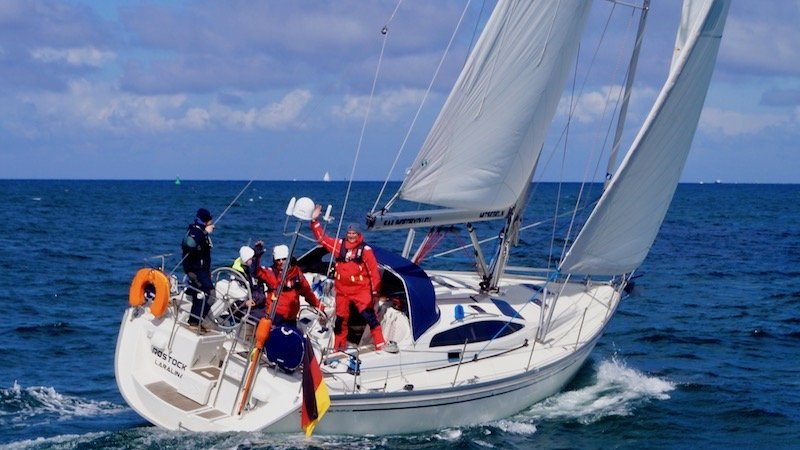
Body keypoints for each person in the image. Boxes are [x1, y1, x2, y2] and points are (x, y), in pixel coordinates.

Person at [310, 204, 385, 351]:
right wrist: (314, 221)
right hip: (342, 291)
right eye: (349, 233)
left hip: (360, 291)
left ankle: (380, 344)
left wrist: (375, 293)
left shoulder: (366, 251)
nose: (351, 236)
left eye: (354, 233)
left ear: (359, 235)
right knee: (340, 321)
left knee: (369, 316)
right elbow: (322, 240)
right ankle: (339, 348)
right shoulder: (340, 245)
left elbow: (374, 274)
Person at [256, 244, 323, 328]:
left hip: (291, 317)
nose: (281, 262)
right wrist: (257, 256)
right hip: (275, 316)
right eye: (278, 260)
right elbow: (257, 271)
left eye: (284, 259)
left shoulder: (297, 274)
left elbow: (308, 292)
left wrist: (320, 307)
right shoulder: (271, 273)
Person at [181, 208, 215, 329]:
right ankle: (196, 321)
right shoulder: (195, 231)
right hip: (195, 269)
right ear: (205, 222)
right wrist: (204, 232)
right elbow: (190, 243)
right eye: (211, 223)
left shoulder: (201, 232)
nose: (213, 226)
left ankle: (194, 321)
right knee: (211, 294)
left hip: (202, 270)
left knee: (198, 294)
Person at [231, 243, 268, 320]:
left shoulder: (251, 269)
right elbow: (234, 297)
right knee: (263, 317)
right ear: (246, 260)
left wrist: (258, 248)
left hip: (257, 302)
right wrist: (245, 303)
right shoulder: (238, 275)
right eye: (251, 259)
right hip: (244, 307)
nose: (253, 260)